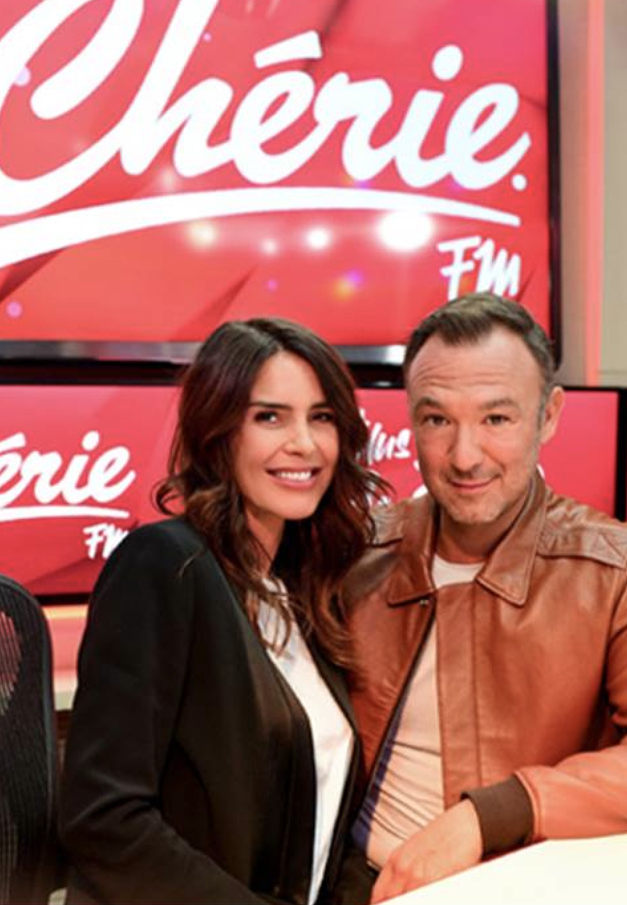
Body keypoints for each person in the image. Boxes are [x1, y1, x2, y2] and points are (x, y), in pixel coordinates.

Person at [59, 317, 387, 905]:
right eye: (269, 417)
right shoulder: (164, 565)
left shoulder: (302, 586)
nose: (304, 444)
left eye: (321, 417)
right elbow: (105, 819)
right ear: (218, 432)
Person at [345, 293, 627, 902]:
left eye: (496, 419)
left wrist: (492, 814)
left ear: (549, 416)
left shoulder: (616, 568)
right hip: (348, 882)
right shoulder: (354, 553)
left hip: (511, 886)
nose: (464, 456)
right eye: (437, 420)